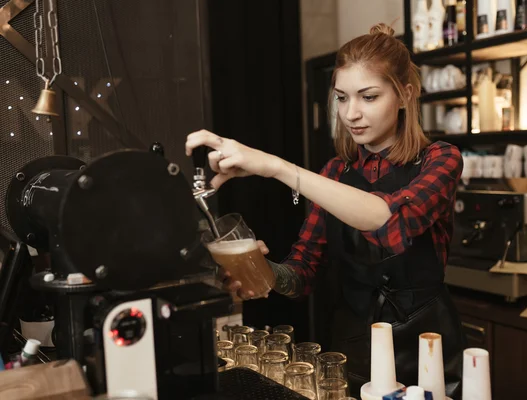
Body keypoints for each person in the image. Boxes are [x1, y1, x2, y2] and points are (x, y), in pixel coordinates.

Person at [186, 23, 466, 397]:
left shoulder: (440, 159)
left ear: (405, 95)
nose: (351, 114)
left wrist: (277, 167)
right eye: (341, 98)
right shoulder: (334, 173)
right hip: (351, 350)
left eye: (368, 97)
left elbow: (390, 221)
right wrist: (258, 269)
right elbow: (302, 273)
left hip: (426, 348)